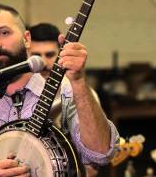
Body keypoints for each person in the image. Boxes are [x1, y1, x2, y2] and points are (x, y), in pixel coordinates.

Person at [0, 4, 119, 177]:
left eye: (4, 33)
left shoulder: (66, 93)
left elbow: (101, 154)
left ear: (27, 39)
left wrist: (79, 82)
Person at [29, 22, 102, 176]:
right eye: (36, 56)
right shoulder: (18, 93)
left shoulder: (81, 94)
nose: (43, 62)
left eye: (49, 55)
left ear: (60, 53)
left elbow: (94, 158)